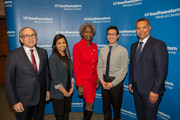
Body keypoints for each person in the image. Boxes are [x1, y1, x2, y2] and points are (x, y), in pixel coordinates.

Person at [5, 27, 50, 120]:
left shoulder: (43, 52)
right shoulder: (13, 55)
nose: (31, 38)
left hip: (40, 97)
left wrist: (47, 90)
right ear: (21, 39)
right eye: (26, 36)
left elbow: (46, 74)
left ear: (36, 37)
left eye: (33, 35)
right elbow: (9, 81)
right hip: (23, 100)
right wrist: (14, 101)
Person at [129, 18, 168, 120]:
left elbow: (161, 70)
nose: (141, 30)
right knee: (141, 116)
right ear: (135, 30)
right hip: (136, 89)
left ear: (149, 28)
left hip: (151, 91)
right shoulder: (133, 46)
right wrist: (130, 82)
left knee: (150, 117)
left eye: (144, 27)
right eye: (138, 28)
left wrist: (155, 91)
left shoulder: (158, 44)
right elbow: (132, 66)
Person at [97, 26, 128, 120]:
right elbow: (99, 67)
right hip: (104, 82)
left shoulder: (123, 51)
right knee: (106, 108)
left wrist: (112, 84)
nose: (111, 36)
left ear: (118, 36)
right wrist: (102, 81)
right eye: (109, 34)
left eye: (113, 34)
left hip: (116, 83)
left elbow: (123, 70)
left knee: (116, 108)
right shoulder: (103, 50)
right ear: (107, 36)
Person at [73, 23, 99, 120]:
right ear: (82, 33)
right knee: (90, 103)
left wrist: (97, 79)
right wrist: (79, 85)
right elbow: (76, 67)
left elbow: (96, 64)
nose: (89, 34)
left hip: (93, 80)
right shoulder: (77, 46)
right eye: (86, 32)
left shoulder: (95, 46)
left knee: (89, 102)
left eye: (91, 32)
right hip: (84, 81)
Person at [49, 34, 74, 120]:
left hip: (68, 90)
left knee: (66, 113)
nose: (62, 45)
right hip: (59, 92)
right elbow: (55, 79)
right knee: (60, 116)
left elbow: (71, 73)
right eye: (59, 43)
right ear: (55, 45)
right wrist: (65, 92)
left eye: (64, 42)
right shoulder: (53, 57)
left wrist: (72, 87)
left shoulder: (67, 55)